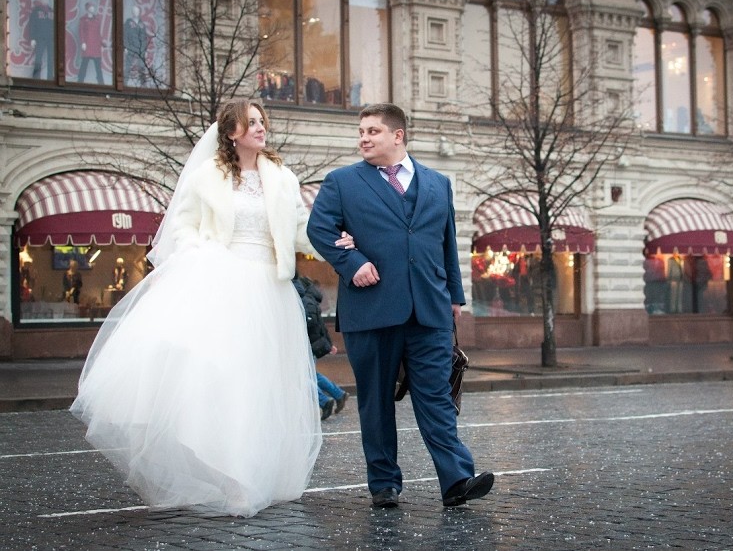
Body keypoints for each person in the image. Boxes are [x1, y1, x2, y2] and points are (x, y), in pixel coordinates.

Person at [70, 99, 354, 518]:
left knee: (263, 385)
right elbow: (182, 226)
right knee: (226, 382)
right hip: (221, 284)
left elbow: (300, 228)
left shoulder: (282, 177)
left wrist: (334, 243)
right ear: (232, 132)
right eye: (251, 122)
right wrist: (200, 255)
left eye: (262, 121)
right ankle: (232, 477)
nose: (260, 128)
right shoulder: (208, 175)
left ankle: (260, 472)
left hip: (270, 291)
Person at [307, 102, 494, 508]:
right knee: (376, 402)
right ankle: (384, 483)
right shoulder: (342, 182)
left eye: (372, 131)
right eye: (361, 132)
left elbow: (447, 242)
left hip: (430, 309)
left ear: (398, 135)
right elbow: (318, 229)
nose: (364, 138)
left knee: (437, 397)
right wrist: (352, 263)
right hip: (370, 310)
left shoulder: (438, 183)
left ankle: (457, 480)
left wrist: (454, 295)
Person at [293, 274, 350, 420]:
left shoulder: (305, 301)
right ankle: (338, 394)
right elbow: (320, 325)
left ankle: (325, 401)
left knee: (301, 377)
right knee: (311, 375)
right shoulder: (309, 299)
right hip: (309, 344)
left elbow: (312, 323)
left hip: (307, 345)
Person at [28, 0, 54, 80]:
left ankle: (50, 78)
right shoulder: (36, 10)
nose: (46, 1)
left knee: (51, 59)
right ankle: (36, 78)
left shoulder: (52, 11)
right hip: (40, 38)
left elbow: (55, 26)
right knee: (38, 59)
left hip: (51, 38)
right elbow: (32, 24)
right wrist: (32, 38)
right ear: (41, 0)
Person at [78, 2, 105, 84]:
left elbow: (98, 33)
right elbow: (81, 32)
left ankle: (101, 83)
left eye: (93, 7)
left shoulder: (97, 19)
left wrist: (102, 43)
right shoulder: (83, 19)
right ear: (87, 9)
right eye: (91, 7)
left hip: (96, 45)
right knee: (84, 64)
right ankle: (80, 82)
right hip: (87, 44)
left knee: (98, 67)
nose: (93, 8)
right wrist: (83, 42)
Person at [123, 5, 149, 85]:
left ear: (139, 12)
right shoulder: (128, 23)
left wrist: (145, 50)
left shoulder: (142, 24)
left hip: (140, 49)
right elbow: (125, 35)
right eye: (134, 11)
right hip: (130, 48)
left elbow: (144, 38)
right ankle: (124, 83)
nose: (135, 13)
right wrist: (125, 47)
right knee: (128, 66)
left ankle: (143, 85)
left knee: (142, 67)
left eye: (137, 11)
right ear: (132, 12)